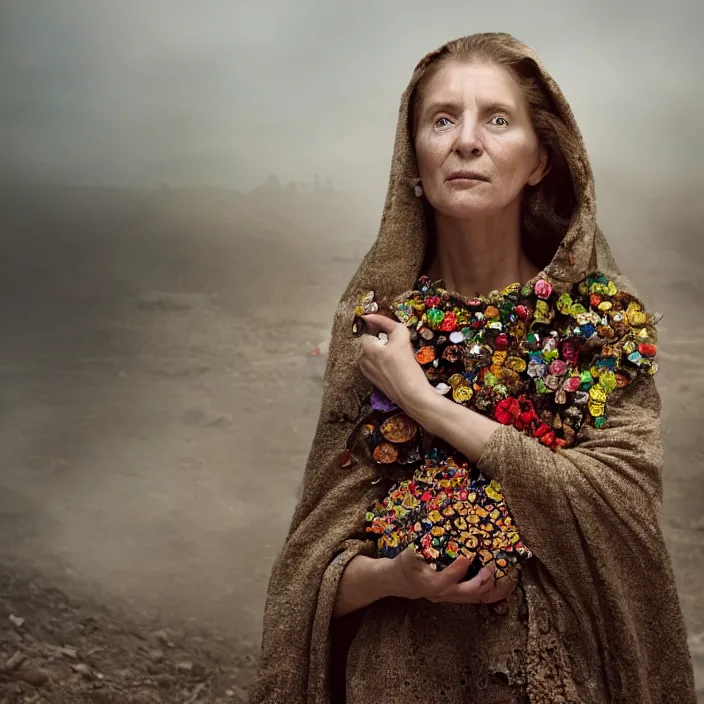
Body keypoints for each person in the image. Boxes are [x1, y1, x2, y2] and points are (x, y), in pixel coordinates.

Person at [247, 33, 696, 703]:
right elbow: (305, 579)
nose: (465, 140)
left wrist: (425, 403)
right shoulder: (380, 332)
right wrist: (392, 577)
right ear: (415, 161)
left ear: (542, 159)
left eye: (496, 118)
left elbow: (619, 516)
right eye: (442, 119)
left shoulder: (600, 325)